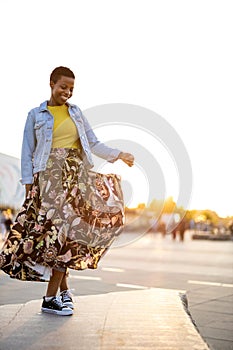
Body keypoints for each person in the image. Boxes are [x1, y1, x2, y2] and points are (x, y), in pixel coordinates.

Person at [0, 66, 134, 316]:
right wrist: (29, 183)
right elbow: (27, 151)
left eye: (71, 88)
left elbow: (93, 143)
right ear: (51, 84)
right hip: (49, 178)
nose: (67, 92)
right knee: (58, 235)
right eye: (63, 87)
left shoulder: (76, 113)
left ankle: (60, 293)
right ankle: (54, 296)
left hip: (76, 178)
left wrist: (119, 154)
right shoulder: (36, 115)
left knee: (70, 233)